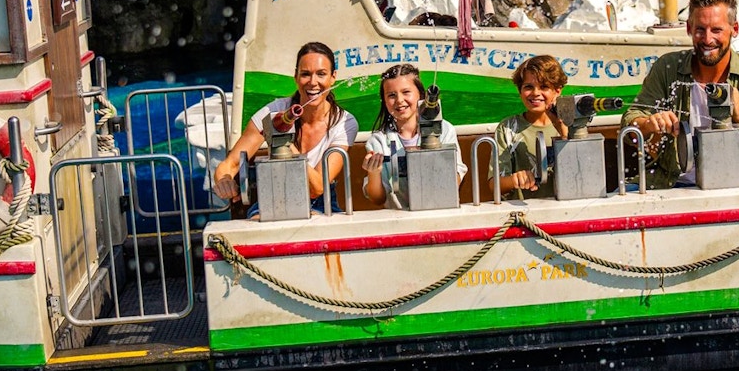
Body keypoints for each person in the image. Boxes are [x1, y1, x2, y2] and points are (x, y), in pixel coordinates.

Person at [621, 0, 739, 189]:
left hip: (729, 188)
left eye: (716, 30)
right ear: (689, 28)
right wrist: (649, 124)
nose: (707, 39)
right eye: (700, 30)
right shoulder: (667, 68)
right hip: (668, 184)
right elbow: (629, 124)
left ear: (735, 29)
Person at [212, 42, 357, 215]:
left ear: (333, 77)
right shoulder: (272, 112)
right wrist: (224, 180)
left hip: (320, 203)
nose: (313, 82)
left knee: (314, 224)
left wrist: (284, 142)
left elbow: (317, 188)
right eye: (305, 74)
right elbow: (230, 163)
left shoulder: (344, 122)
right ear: (295, 77)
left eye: (321, 74)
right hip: (274, 197)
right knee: (258, 225)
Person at [361, 64, 467, 209]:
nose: (399, 100)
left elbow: (456, 176)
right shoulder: (377, 141)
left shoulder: (445, 129)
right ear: (384, 101)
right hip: (399, 220)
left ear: (421, 95)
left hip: (441, 212)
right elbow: (378, 199)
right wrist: (373, 174)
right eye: (391, 95)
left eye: (406, 92)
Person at [492, 55, 569, 199]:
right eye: (528, 87)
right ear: (519, 91)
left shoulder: (573, 125)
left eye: (544, 87)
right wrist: (515, 180)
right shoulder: (507, 128)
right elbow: (494, 184)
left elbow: (582, 170)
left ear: (557, 91)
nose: (535, 93)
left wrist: (562, 129)